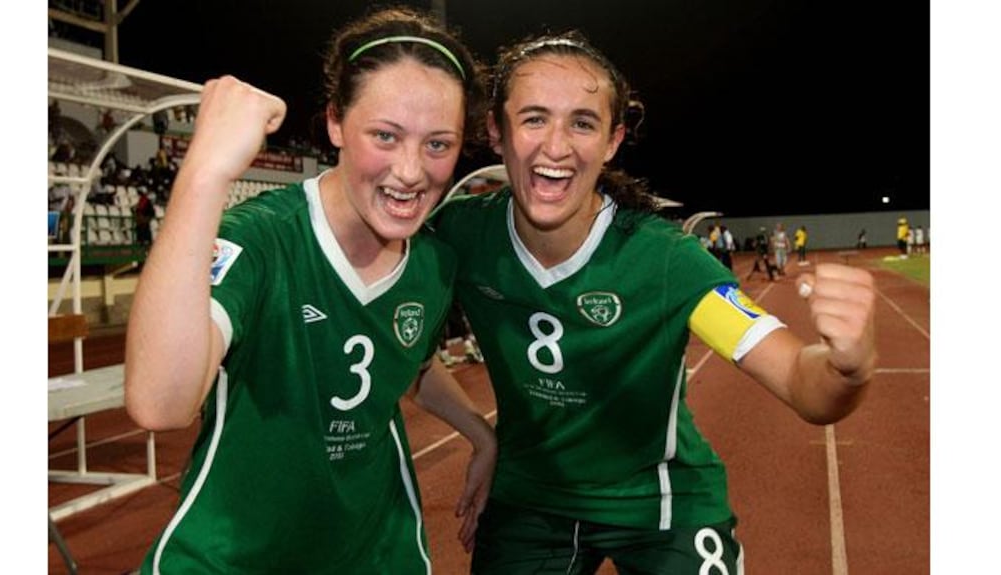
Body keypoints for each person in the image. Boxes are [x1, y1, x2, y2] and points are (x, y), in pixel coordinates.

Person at [431, 30, 877, 574]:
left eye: (582, 122)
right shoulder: (458, 235)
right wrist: (480, 433)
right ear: (495, 133)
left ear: (612, 141)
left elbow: (803, 386)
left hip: (662, 506)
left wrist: (846, 369)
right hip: (531, 501)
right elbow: (390, 336)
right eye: (533, 118)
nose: (556, 145)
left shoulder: (665, 261)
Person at [124, 8, 495, 573]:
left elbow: (410, 361)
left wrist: (481, 434)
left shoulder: (434, 262)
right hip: (233, 553)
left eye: (438, 145)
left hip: (377, 551)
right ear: (335, 124)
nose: (411, 170)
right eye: (385, 136)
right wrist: (204, 174)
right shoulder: (263, 239)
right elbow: (159, 403)